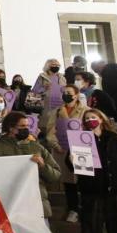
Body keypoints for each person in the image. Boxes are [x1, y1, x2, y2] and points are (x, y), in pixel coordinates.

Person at [0, 111, 61, 219]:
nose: (26, 129)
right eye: (22, 126)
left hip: (37, 205)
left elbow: (56, 175)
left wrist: (43, 166)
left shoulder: (37, 147)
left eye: (27, 126)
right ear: (11, 128)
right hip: (8, 207)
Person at [45, 84, 88, 223]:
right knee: (69, 182)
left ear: (76, 94)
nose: (66, 94)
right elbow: (50, 131)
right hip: (62, 150)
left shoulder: (86, 110)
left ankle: (87, 208)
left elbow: (88, 130)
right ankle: (73, 208)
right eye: (64, 92)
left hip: (81, 150)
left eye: (69, 92)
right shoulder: (56, 111)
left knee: (84, 180)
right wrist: (56, 145)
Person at [30, 59, 67, 132]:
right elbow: (34, 91)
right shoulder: (42, 76)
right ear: (48, 65)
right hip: (46, 104)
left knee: (58, 124)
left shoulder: (62, 77)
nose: (56, 66)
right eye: (54, 65)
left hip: (59, 103)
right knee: (46, 124)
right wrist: (43, 88)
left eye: (58, 65)